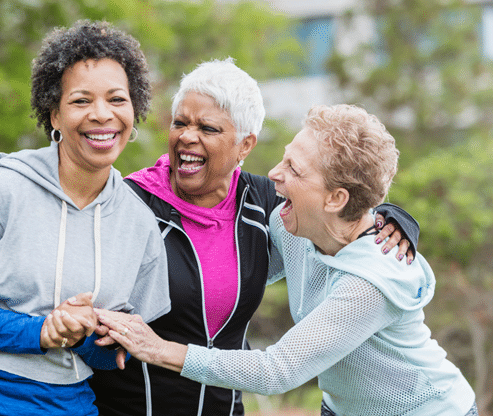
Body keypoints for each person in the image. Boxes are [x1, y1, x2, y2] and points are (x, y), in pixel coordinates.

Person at [94, 104, 478, 416]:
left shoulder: (371, 282)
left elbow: (277, 370)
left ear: (335, 199)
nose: (273, 175)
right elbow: (232, 257)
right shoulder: (297, 225)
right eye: (284, 159)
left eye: (294, 169)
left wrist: (157, 348)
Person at [0, 20, 170, 416]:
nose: (102, 115)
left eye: (117, 99)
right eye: (81, 101)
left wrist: (83, 334)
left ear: (134, 110)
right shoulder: (1, 190)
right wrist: (41, 331)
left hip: (67, 405)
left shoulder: (139, 224)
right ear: (53, 115)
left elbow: (113, 358)